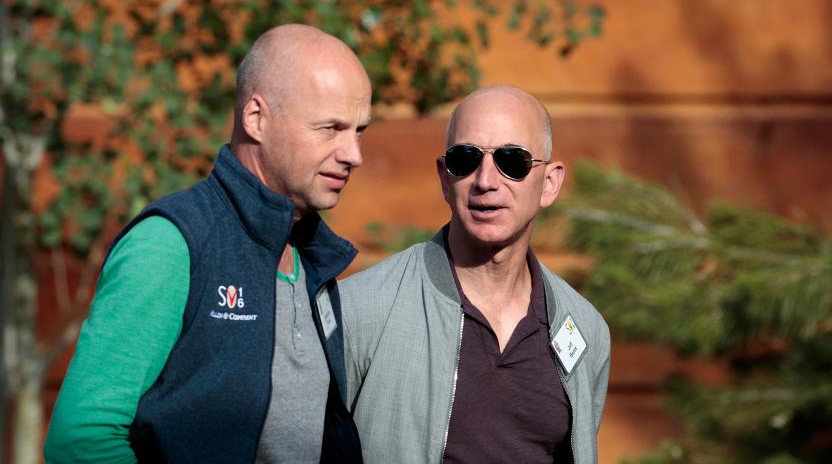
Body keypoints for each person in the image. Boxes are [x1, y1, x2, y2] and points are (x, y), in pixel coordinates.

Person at [44, 24, 371, 463]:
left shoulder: (317, 259)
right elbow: (81, 439)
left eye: (359, 131)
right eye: (330, 128)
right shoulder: (170, 243)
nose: (354, 154)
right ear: (256, 118)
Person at [340, 85, 610, 463]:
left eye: (512, 161)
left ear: (549, 184)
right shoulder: (360, 312)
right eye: (464, 159)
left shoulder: (584, 330)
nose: (486, 180)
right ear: (444, 178)